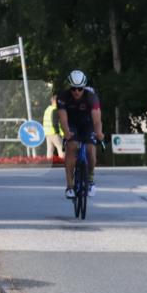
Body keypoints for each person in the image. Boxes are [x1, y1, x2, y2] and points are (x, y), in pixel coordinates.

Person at [56, 70, 104, 198]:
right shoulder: (63, 97)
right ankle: (70, 186)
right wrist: (66, 132)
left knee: (90, 149)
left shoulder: (91, 97)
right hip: (71, 123)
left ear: (84, 87)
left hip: (88, 123)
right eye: (73, 88)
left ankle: (90, 179)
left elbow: (97, 120)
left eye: (80, 88)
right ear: (70, 87)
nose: (77, 91)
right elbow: (63, 119)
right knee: (71, 146)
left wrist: (99, 132)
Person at [42, 95, 64, 159]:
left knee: (50, 149)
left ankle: (48, 162)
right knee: (61, 148)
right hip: (54, 132)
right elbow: (55, 122)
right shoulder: (55, 110)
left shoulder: (48, 109)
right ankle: (62, 162)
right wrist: (58, 132)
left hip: (48, 133)